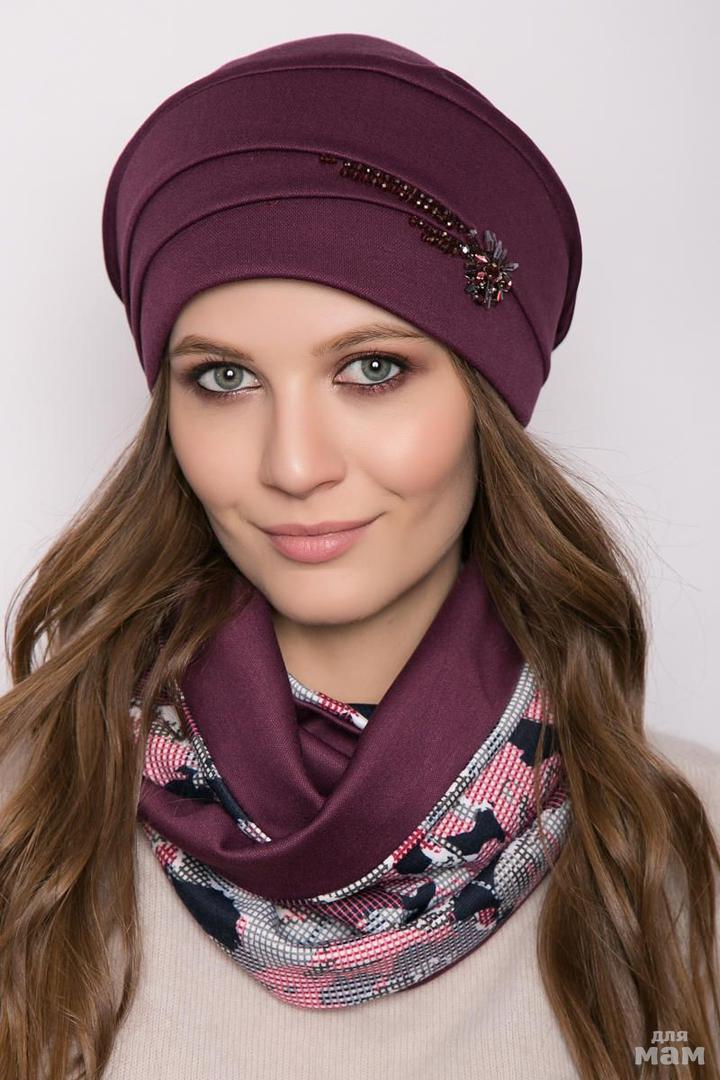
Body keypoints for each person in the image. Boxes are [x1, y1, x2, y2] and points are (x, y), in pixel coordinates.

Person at [1, 31, 719, 1080]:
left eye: (373, 369)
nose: (294, 465)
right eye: (224, 379)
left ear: (489, 400)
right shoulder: (23, 821)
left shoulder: (687, 844)